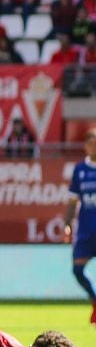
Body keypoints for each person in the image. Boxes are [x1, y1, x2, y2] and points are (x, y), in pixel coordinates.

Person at [66, 129, 96, 322]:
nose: (94, 147)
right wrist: (67, 224)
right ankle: (95, 301)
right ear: (85, 146)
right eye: (91, 143)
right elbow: (73, 200)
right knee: (77, 270)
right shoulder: (79, 170)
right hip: (86, 231)